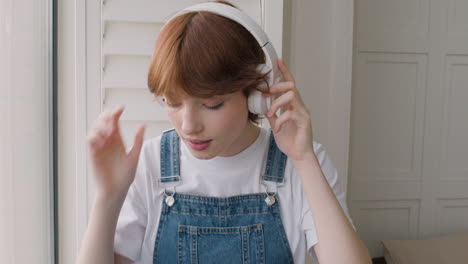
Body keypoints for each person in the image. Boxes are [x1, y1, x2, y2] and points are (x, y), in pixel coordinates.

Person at [77, 1, 371, 263]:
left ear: (257, 93)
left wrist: (304, 158)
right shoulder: (148, 163)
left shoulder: (301, 164)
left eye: (212, 104)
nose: (189, 126)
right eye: (172, 103)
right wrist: (109, 195)